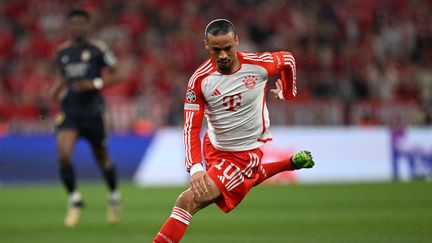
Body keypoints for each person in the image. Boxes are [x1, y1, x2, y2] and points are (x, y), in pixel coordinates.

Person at [154, 19, 314, 242]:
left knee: (186, 202)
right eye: (216, 50)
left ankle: (287, 164)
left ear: (237, 42)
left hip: (242, 156)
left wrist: (288, 93)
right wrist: (196, 168)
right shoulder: (200, 80)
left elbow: (287, 59)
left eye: (228, 48)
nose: (222, 55)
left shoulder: (258, 65)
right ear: (206, 46)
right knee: (240, 180)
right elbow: (191, 126)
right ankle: (290, 163)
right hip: (213, 149)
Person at [50, 9, 122, 228]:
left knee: (102, 158)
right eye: (74, 24)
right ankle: (75, 200)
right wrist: (55, 90)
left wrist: (95, 84)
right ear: (69, 27)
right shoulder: (62, 52)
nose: (77, 27)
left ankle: (114, 197)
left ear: (87, 26)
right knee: (63, 155)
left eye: (81, 23)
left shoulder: (98, 49)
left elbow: (118, 73)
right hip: (70, 110)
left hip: (93, 112)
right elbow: (63, 76)